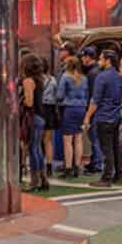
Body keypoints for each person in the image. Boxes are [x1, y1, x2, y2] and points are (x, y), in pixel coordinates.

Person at [84, 50, 122, 187]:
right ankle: (118, 175)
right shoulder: (119, 77)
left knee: (106, 149)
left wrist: (87, 117)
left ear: (108, 60)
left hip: (104, 117)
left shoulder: (101, 77)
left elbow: (95, 100)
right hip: (116, 116)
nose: (99, 61)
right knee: (116, 147)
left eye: (101, 59)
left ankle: (106, 177)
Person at [19, 55, 49, 191]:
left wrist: (20, 101)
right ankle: (43, 180)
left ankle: (34, 181)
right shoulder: (40, 79)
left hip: (32, 117)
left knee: (32, 149)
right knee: (37, 149)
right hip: (41, 116)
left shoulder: (28, 81)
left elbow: (29, 102)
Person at [57, 57, 88, 178]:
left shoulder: (65, 77)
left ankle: (68, 168)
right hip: (81, 109)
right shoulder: (84, 78)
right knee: (79, 138)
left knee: (67, 140)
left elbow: (59, 95)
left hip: (69, 109)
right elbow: (87, 94)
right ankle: (77, 167)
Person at [80, 47, 104, 174]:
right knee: (95, 137)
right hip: (98, 108)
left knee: (95, 137)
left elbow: (93, 95)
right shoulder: (96, 71)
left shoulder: (92, 73)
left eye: (83, 56)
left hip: (94, 109)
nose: (82, 59)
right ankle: (95, 161)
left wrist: (88, 112)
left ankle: (97, 164)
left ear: (88, 57)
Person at [52, 43, 75, 172]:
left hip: (66, 106)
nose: (59, 52)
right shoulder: (76, 72)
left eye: (62, 50)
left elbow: (61, 92)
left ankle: (68, 164)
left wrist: (56, 98)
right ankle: (72, 164)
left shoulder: (66, 72)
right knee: (75, 138)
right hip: (75, 106)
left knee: (68, 138)